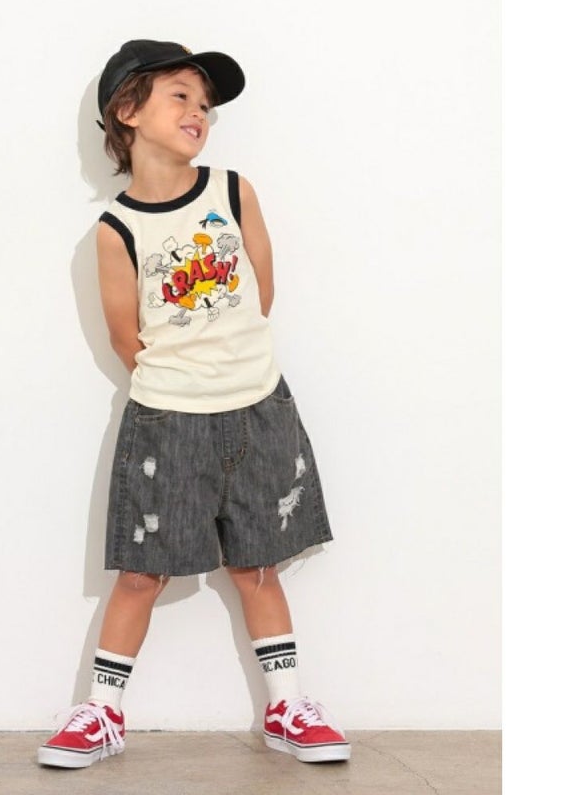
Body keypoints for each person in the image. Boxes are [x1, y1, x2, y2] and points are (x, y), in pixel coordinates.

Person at [38, 39, 350, 769]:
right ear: (128, 110)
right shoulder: (116, 230)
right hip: (167, 419)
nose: (198, 112)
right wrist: (185, 385)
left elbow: (260, 294)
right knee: (141, 571)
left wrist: (228, 373)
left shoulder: (233, 192)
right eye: (180, 95)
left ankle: (286, 705)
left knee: (258, 565)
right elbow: (127, 337)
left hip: (259, 408)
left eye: (205, 104)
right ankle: (102, 711)